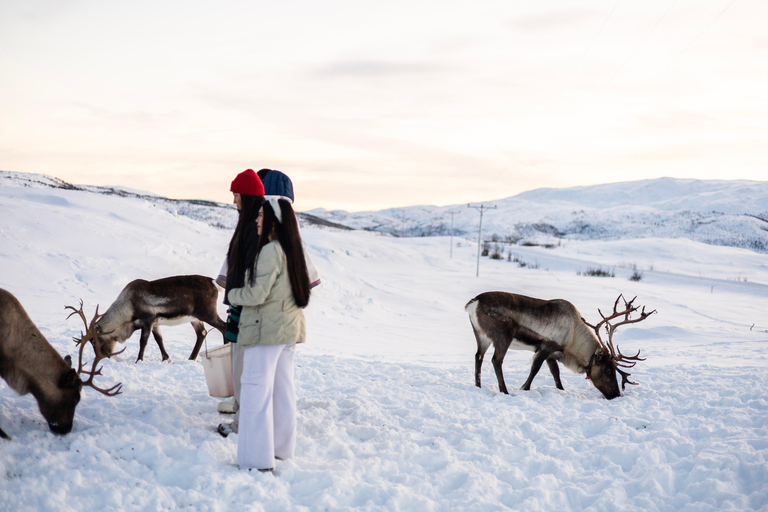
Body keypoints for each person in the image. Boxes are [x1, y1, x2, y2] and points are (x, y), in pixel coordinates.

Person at [217, 169, 319, 437]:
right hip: (282, 322)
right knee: (278, 382)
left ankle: (247, 425)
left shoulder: (266, 240)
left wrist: (234, 296)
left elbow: (255, 288)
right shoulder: (286, 238)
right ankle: (275, 436)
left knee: (253, 377)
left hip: (261, 319)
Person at [226, 196, 311, 471]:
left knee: (255, 393)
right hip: (288, 331)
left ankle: (255, 460)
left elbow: (256, 294)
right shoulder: (292, 249)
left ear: (275, 221)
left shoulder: (271, 250)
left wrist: (233, 294)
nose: (257, 220)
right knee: (283, 392)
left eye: (262, 215)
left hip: (265, 332)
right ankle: (281, 452)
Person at [216, 170, 264, 438]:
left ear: (246, 195)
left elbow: (252, 271)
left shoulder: (253, 228)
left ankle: (241, 425)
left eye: (236, 195)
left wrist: (240, 300)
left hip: (247, 309)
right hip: (241, 306)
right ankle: (239, 412)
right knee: (239, 364)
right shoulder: (248, 223)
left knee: (244, 367)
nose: (233, 201)